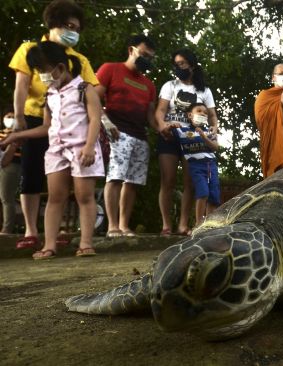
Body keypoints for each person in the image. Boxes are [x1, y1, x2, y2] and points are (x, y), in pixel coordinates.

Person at [8, 0, 99, 249]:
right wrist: (19, 121)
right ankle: (32, 232)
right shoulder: (31, 50)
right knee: (32, 174)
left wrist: (87, 99)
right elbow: (21, 85)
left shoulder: (77, 61)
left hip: (76, 129)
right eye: (69, 26)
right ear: (53, 25)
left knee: (75, 189)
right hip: (36, 119)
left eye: (77, 28)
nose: (73, 32)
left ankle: (76, 239)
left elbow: (95, 95)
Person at [96, 34, 166, 237]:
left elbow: (151, 117)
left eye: (150, 57)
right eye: (143, 54)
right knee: (115, 177)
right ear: (131, 50)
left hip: (140, 136)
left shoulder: (149, 85)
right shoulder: (110, 69)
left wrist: (163, 128)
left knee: (133, 182)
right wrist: (105, 122)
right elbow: (94, 99)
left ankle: (124, 225)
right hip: (117, 132)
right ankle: (112, 226)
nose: (147, 59)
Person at [154, 49, 219, 236]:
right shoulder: (169, 86)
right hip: (170, 136)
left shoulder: (204, 90)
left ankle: (183, 224)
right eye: (176, 64)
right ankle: (166, 225)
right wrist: (163, 126)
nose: (178, 67)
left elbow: (212, 115)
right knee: (168, 180)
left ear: (192, 65)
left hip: (194, 139)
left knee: (191, 181)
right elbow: (160, 111)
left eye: (182, 63)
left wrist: (213, 129)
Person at [173, 103, 220, 226]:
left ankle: (209, 225)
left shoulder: (210, 131)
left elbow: (215, 147)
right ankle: (198, 223)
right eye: (199, 111)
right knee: (203, 192)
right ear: (190, 115)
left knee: (214, 196)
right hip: (196, 166)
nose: (202, 114)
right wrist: (170, 126)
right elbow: (165, 129)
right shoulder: (183, 131)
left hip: (211, 166)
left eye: (205, 113)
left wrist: (204, 137)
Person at [0, 112, 21, 234]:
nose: (11, 119)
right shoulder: (1, 133)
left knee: (6, 197)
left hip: (12, 164)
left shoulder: (19, 134)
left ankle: (6, 228)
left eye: (13, 117)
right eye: (8, 117)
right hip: (3, 163)